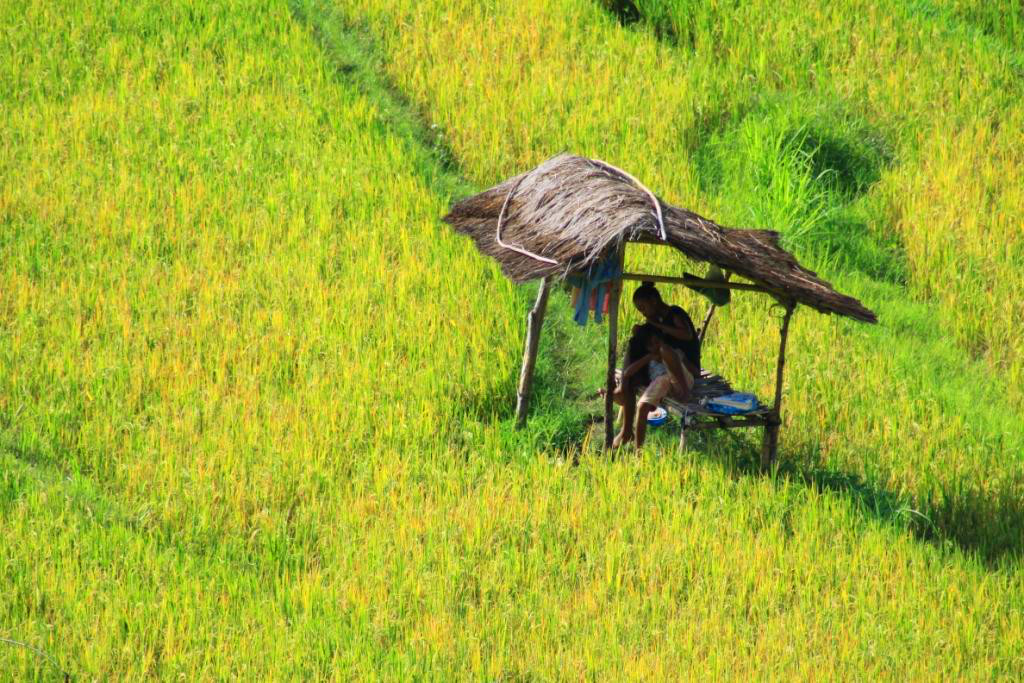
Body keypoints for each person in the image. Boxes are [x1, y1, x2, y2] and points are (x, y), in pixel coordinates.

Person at [611, 282, 700, 448]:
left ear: (654, 301)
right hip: (662, 369)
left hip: (683, 368)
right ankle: (626, 430)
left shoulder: (674, 313)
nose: (643, 313)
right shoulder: (656, 321)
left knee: (663, 350)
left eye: (643, 308)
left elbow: (687, 335)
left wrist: (657, 325)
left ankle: (624, 391)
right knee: (635, 341)